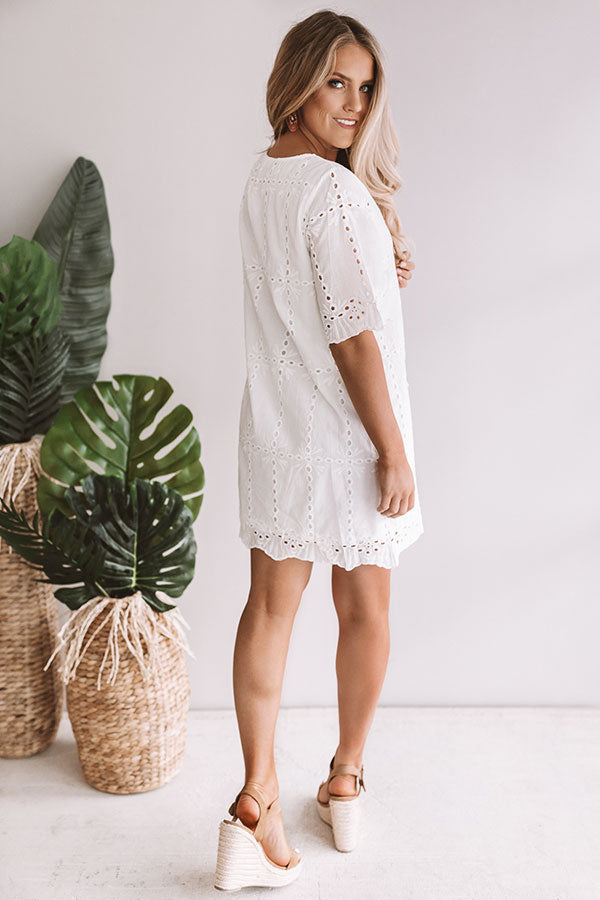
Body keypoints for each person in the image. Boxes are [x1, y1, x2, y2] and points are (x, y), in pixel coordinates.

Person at [214, 9, 424, 892]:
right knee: (364, 608)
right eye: (336, 81)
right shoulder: (334, 194)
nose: (353, 103)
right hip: (345, 438)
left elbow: (311, 297)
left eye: (365, 87)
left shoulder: (267, 176)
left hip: (276, 432)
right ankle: (345, 778)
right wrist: (393, 451)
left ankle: (255, 801)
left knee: (269, 610)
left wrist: (381, 264)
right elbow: (352, 339)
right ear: (298, 79)